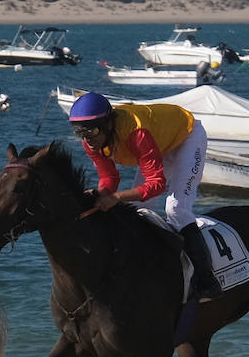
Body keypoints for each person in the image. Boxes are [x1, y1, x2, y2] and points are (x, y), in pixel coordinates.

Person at [67, 91, 221, 299]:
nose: (87, 139)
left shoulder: (136, 134)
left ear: (108, 125)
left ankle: (207, 280)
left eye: (92, 131)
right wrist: (99, 195)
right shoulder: (91, 142)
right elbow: (110, 178)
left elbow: (157, 184)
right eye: (80, 133)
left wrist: (116, 198)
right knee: (141, 211)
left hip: (187, 136)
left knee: (176, 209)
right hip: (161, 143)